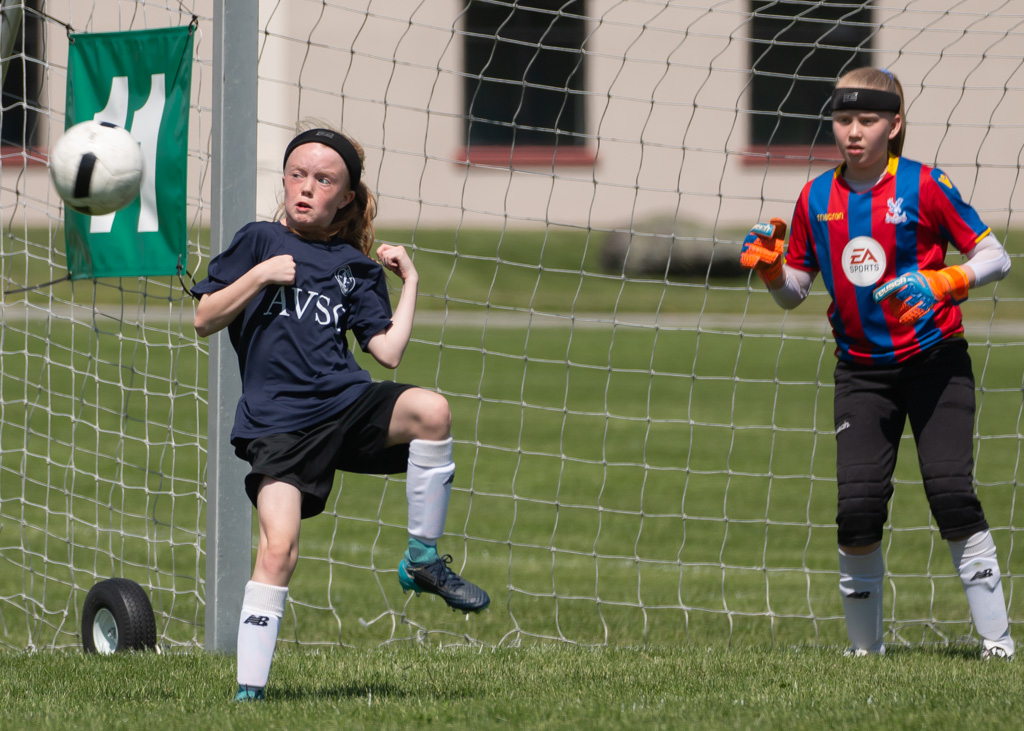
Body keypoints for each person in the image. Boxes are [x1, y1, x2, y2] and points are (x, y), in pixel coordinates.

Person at [192, 126, 490, 701]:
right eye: (297, 175)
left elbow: (388, 351)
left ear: (346, 197)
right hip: (278, 426)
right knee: (278, 549)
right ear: (285, 180)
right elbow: (205, 319)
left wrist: (411, 282)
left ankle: (422, 561)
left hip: (346, 405)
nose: (306, 188)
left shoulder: (356, 268)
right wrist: (261, 274)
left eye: (324, 180)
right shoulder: (257, 240)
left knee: (432, 411)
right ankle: (249, 695)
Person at [740, 67, 1013, 659]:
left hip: (936, 361)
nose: (854, 131)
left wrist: (945, 280)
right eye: (843, 119)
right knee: (858, 509)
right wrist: (771, 268)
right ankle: (865, 654)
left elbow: (996, 255)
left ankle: (997, 644)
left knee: (951, 493)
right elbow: (795, 293)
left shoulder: (925, 185)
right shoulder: (815, 198)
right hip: (861, 373)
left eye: (867, 119)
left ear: (895, 124)